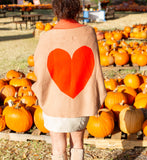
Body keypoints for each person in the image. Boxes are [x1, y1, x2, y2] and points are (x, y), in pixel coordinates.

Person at [31, 0, 107, 159]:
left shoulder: (47, 36)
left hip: (54, 103)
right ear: (77, 9)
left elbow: (39, 68)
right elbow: (93, 67)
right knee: (78, 145)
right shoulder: (89, 32)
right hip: (81, 103)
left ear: (55, 10)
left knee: (58, 149)